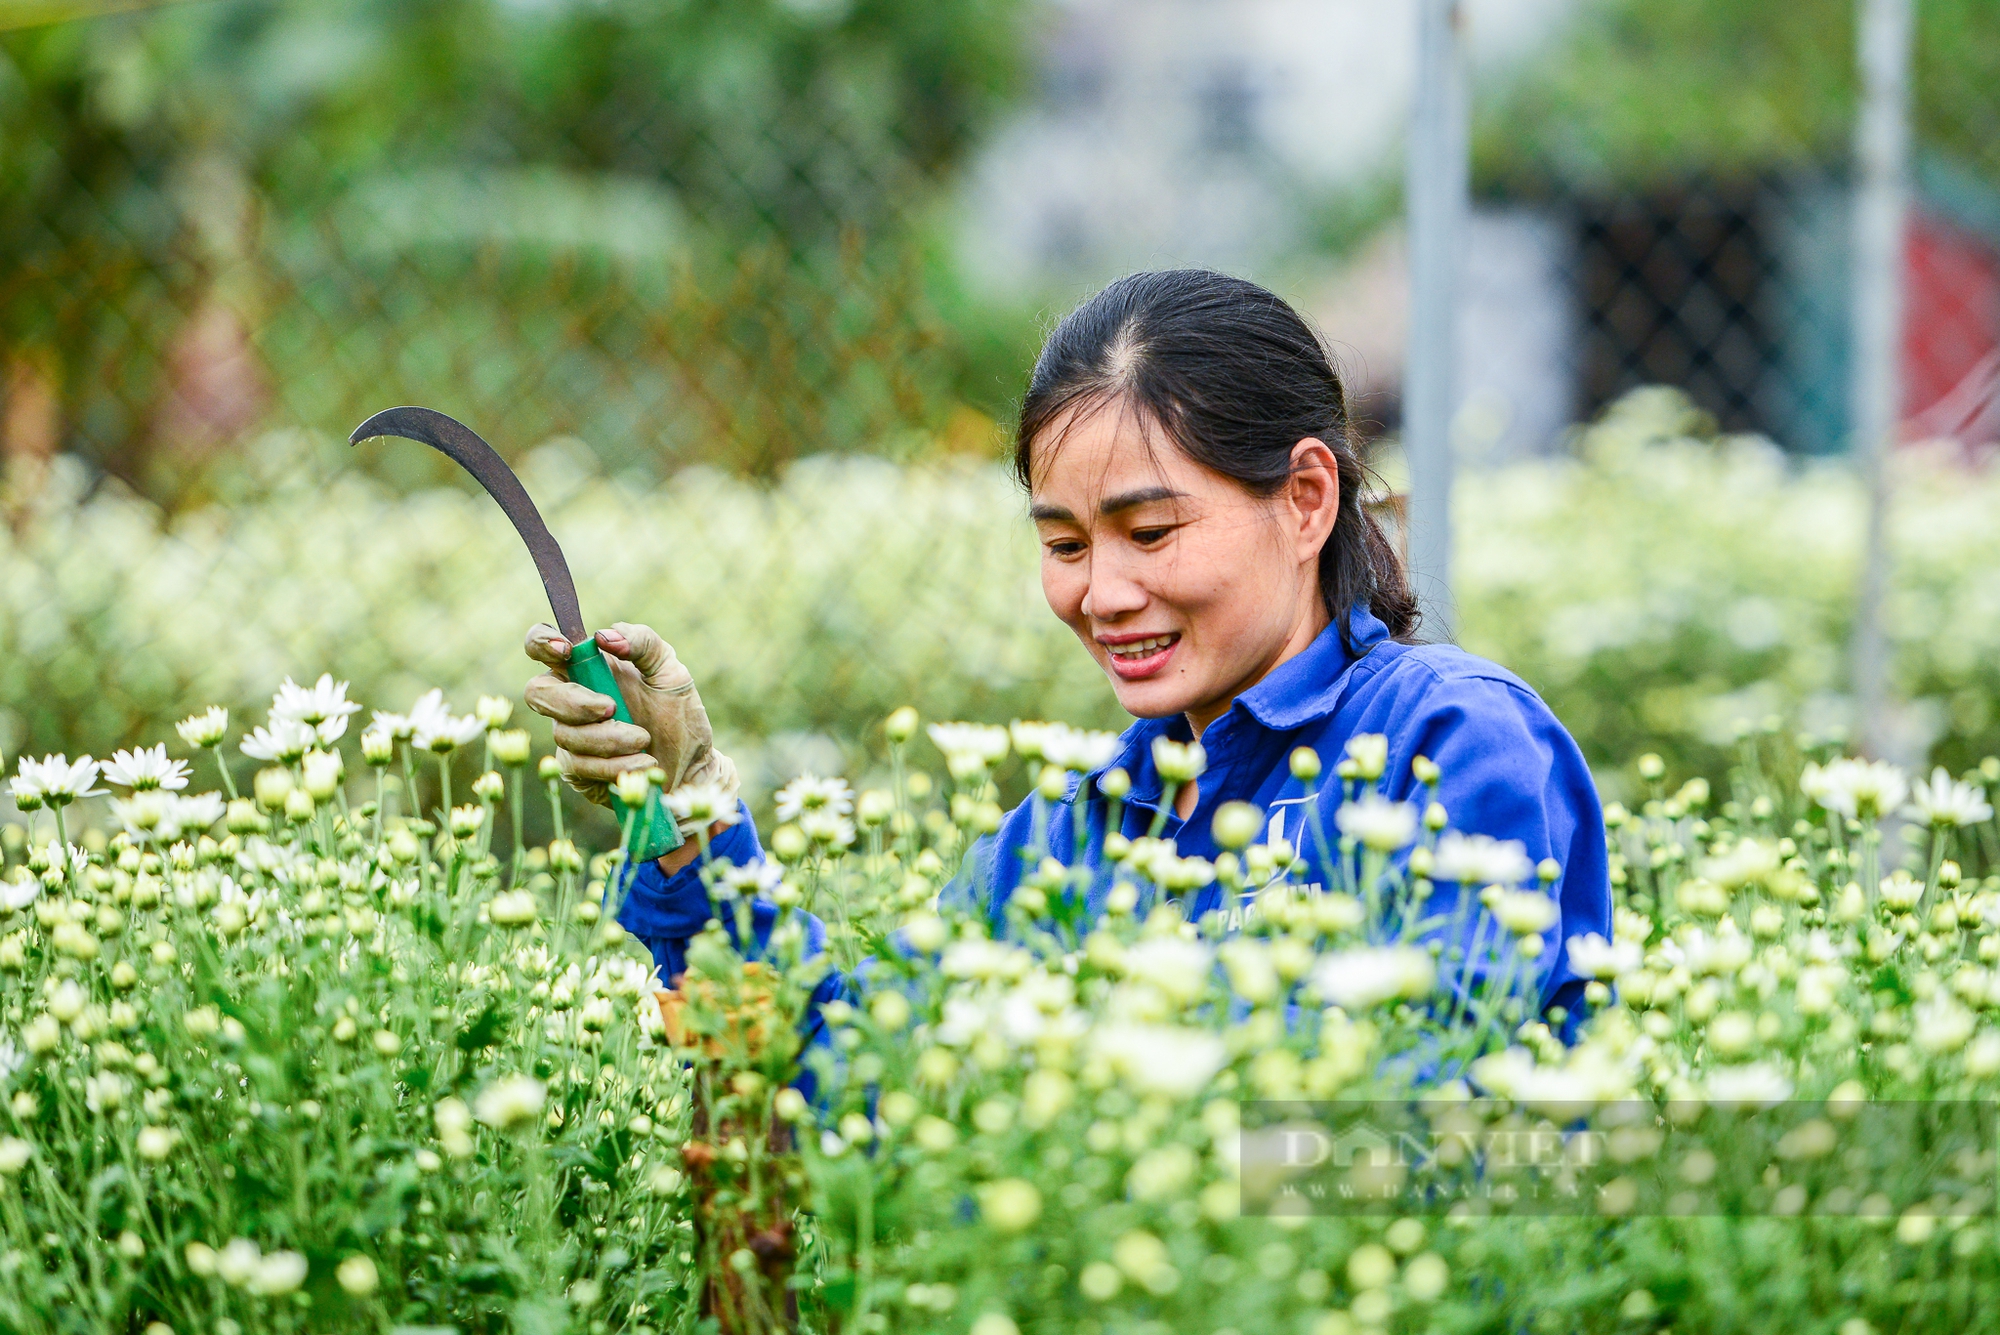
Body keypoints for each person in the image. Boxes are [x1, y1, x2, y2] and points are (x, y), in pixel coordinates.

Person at [522, 268, 1611, 1029]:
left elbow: (1440, 1131)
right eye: (1063, 543)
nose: (1102, 593)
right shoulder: (1062, 843)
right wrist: (689, 819)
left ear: (1305, 499)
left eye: (1149, 532)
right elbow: (851, 1074)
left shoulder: (1447, 735)